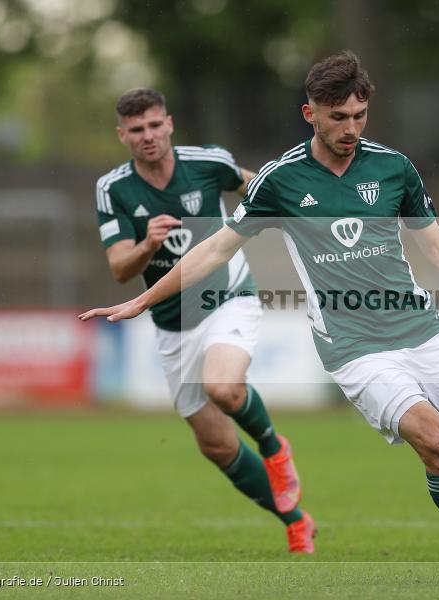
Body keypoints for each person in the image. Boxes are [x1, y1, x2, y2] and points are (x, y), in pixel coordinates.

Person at [83, 56, 439, 583]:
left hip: (419, 329)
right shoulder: (280, 179)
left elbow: (435, 245)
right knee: (434, 442)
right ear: (310, 113)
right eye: (338, 117)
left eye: (359, 115)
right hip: (352, 346)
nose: (351, 128)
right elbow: (214, 250)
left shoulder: (394, 167)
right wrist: (143, 301)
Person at [94, 88, 314, 553]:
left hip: (226, 296)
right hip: (172, 323)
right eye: (137, 129)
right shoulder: (113, 189)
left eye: (155, 125)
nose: (148, 136)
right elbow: (119, 269)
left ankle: (274, 449)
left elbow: (258, 186)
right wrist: (147, 245)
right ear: (122, 135)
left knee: (224, 388)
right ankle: (295, 520)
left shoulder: (208, 162)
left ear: (170, 124)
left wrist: (300, 216)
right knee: (216, 445)